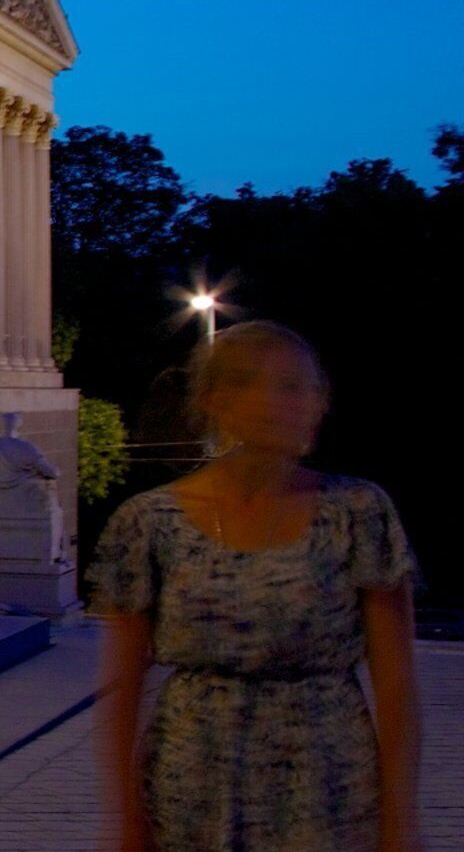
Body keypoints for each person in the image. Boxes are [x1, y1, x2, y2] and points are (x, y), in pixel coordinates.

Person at [88, 321, 421, 852]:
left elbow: (397, 683)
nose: (284, 402)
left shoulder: (359, 513)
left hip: (329, 788)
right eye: (260, 384)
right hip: (191, 785)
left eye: (298, 387)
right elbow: (122, 689)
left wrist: (401, 823)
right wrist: (126, 821)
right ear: (215, 400)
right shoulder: (149, 523)